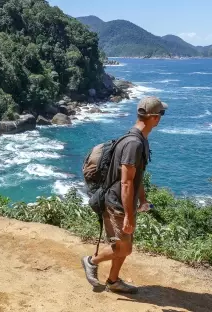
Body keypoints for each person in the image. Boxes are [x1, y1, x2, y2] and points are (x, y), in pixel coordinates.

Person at [81, 96, 168, 293]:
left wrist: (143, 200)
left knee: (123, 244)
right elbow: (126, 182)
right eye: (161, 113)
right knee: (124, 247)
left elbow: (136, 176)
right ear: (155, 118)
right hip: (117, 202)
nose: (161, 118)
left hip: (126, 200)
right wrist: (128, 215)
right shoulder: (133, 144)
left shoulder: (139, 140)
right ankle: (91, 261)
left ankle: (113, 281)